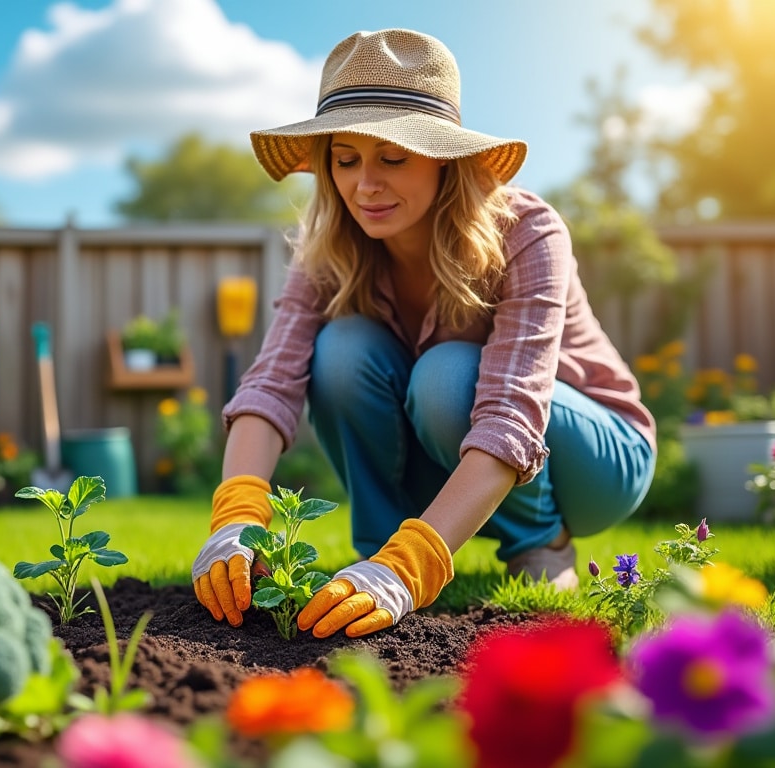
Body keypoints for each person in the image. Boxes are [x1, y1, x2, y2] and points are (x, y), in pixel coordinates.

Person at [190, 28, 657, 640]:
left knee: (446, 374)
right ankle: (378, 553)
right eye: (346, 159)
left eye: (392, 156)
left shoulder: (526, 230)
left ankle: (541, 544)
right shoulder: (328, 250)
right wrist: (236, 515)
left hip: (594, 457)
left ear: (444, 157)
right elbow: (272, 381)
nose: (365, 185)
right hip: (458, 456)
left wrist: (414, 571)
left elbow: (511, 412)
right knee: (339, 351)